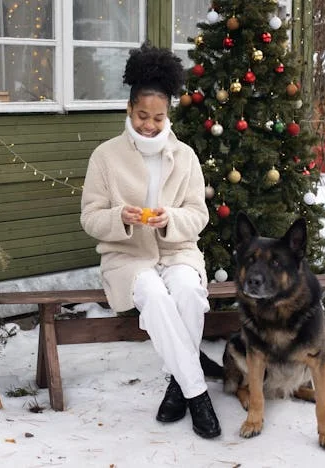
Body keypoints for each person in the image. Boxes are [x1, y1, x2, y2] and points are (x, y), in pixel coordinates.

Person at [80, 43, 220, 439]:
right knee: (156, 297)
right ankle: (197, 394)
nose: (149, 125)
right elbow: (90, 218)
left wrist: (169, 219)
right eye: (142, 115)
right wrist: (118, 218)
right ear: (129, 109)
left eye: (158, 118)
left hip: (176, 250)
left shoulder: (186, 156)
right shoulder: (105, 157)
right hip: (128, 258)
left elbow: (198, 214)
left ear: (168, 115)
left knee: (188, 293)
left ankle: (178, 386)